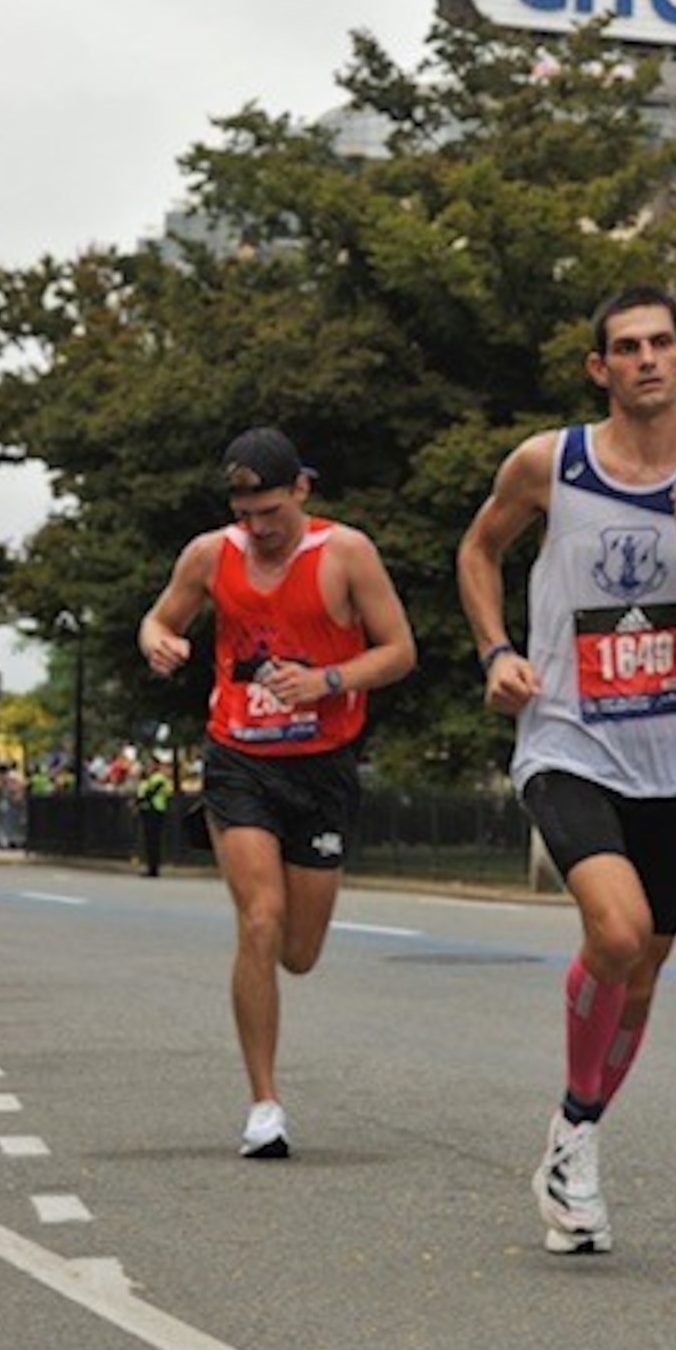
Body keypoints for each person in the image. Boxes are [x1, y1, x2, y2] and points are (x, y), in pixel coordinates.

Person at [457, 285, 676, 1253]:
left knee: (642, 973)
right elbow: (476, 548)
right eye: (623, 347)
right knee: (617, 926)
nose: (643, 358)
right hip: (567, 738)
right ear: (598, 367)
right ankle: (579, 1137)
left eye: (659, 343)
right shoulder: (547, 463)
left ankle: (573, 1132)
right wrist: (493, 651)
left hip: (673, 755)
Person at [138, 426, 416, 1158]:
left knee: (298, 951)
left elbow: (398, 651)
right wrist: (157, 642)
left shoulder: (345, 554)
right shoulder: (209, 555)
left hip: (321, 766)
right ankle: (264, 1104)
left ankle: (267, 1083)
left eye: (270, 511)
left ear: (301, 489)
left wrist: (328, 679)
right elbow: (160, 618)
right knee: (259, 921)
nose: (258, 528)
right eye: (244, 513)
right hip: (240, 759)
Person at [135, 755, 173, 877]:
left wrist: (140, 801)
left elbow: (151, 793)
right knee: (149, 841)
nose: (147, 767)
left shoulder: (159, 778)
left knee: (153, 841)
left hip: (155, 810)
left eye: (150, 764)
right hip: (148, 811)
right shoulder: (148, 779)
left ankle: (153, 868)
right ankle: (151, 866)